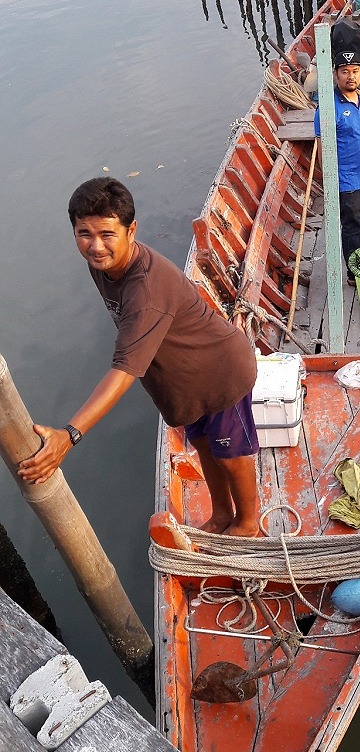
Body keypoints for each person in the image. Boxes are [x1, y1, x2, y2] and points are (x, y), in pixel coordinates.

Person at [17, 177, 260, 537]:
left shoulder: (145, 288)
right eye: (84, 233)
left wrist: (69, 436)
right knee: (205, 446)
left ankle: (248, 522)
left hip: (221, 372)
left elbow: (125, 370)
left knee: (231, 453)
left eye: (107, 234)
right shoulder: (105, 262)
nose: (96, 246)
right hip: (184, 379)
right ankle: (223, 514)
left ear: (132, 230)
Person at [314, 53, 360, 285]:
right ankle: (354, 274)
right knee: (352, 224)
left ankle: (356, 255)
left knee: (359, 219)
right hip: (346, 179)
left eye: (355, 71)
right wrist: (328, 177)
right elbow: (321, 144)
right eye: (345, 72)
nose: (351, 76)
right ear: (335, 75)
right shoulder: (328, 107)